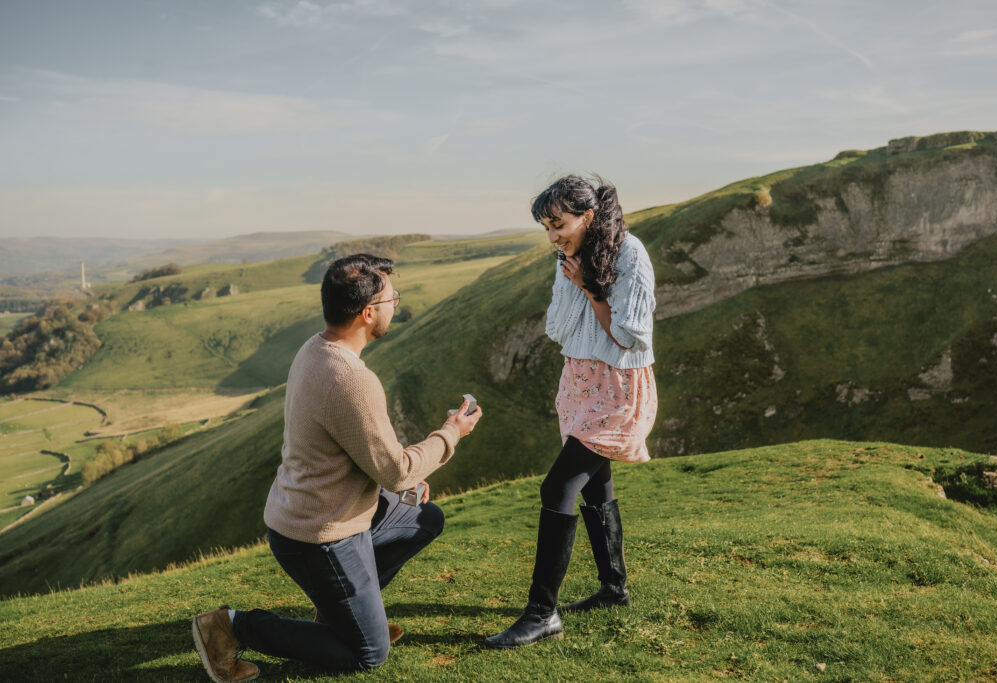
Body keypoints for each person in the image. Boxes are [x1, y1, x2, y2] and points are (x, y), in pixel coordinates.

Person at [192, 254, 482, 682]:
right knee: (367, 653)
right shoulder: (351, 379)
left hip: (318, 512)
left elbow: (364, 457)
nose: (395, 305)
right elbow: (396, 470)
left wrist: (401, 486)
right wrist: (451, 432)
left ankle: (342, 616)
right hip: (320, 535)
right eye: (391, 298)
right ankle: (231, 625)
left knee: (424, 518)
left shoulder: (315, 348)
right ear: (368, 313)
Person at [485, 175, 657, 649]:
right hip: (582, 380)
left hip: (616, 385)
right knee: (595, 483)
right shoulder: (569, 258)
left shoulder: (630, 254)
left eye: (558, 224)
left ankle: (542, 613)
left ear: (589, 216)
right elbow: (561, 326)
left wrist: (588, 286)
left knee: (558, 485)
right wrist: (576, 278)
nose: (553, 237)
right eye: (546, 227)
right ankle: (613, 588)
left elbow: (627, 335)